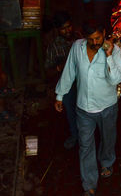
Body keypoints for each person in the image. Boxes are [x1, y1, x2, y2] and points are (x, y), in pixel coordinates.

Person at [54, 20, 121, 196]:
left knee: (108, 139)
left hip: (107, 106)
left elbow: (116, 79)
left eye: (98, 38)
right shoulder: (77, 48)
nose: (95, 43)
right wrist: (60, 95)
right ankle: (89, 184)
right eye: (91, 39)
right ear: (84, 37)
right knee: (85, 145)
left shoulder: (114, 50)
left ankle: (107, 161)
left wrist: (108, 55)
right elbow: (69, 71)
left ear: (104, 33)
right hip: (83, 108)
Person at [45, 11, 79, 149]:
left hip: (84, 81)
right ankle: (75, 135)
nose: (67, 30)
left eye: (69, 26)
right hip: (67, 86)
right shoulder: (54, 47)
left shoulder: (79, 38)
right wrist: (60, 67)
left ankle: (87, 135)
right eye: (63, 28)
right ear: (57, 30)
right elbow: (48, 72)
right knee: (71, 110)